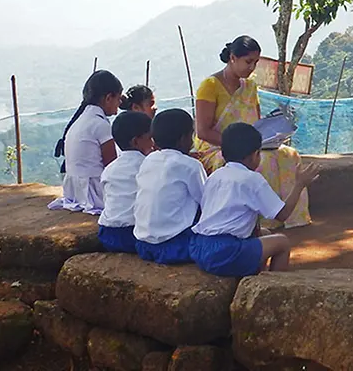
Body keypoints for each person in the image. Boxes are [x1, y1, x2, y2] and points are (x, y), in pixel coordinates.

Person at [194, 36, 310, 229]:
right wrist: (237, 145)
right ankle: (263, 224)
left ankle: (293, 218)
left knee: (289, 155)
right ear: (233, 58)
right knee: (263, 162)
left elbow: (257, 123)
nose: (252, 67)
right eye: (248, 62)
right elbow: (203, 131)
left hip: (250, 144)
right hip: (219, 148)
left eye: (255, 62)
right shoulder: (210, 86)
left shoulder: (250, 86)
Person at [190, 123, 321, 276]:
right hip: (225, 252)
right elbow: (282, 214)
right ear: (254, 155)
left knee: (263, 232)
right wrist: (299, 184)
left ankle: (255, 276)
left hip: (200, 247)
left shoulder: (215, 176)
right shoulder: (252, 179)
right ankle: (272, 285)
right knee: (282, 242)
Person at [133, 109, 207, 264]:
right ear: (183, 139)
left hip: (143, 245)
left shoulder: (148, 160)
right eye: (191, 135)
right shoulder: (191, 166)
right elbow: (206, 201)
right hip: (176, 245)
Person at [49, 70, 123, 214]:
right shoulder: (100, 124)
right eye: (118, 98)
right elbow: (111, 166)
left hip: (75, 191)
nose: (119, 104)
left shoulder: (81, 120)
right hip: (94, 192)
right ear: (108, 98)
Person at [97, 111, 153, 253]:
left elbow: (107, 200)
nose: (153, 143)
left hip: (107, 233)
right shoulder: (148, 166)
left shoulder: (109, 169)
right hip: (133, 234)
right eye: (149, 138)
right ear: (135, 141)